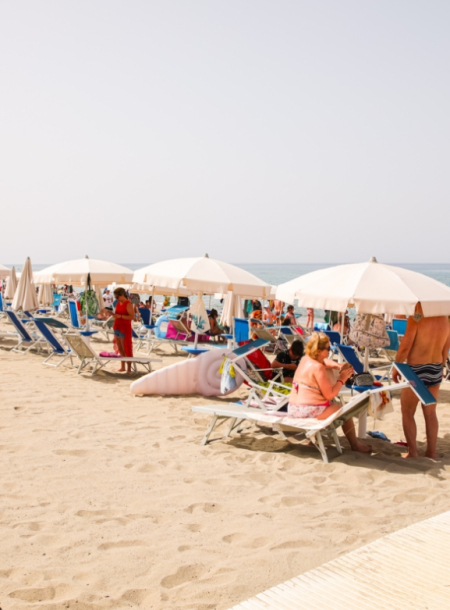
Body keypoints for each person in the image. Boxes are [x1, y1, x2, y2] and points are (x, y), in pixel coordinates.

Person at [289, 332, 371, 453]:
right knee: (345, 411)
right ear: (318, 350)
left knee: (322, 401)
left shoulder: (306, 360)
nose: (329, 351)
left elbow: (325, 362)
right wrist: (342, 379)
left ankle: (314, 440)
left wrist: (338, 366)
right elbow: (330, 394)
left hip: (295, 408)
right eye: (327, 348)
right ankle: (355, 445)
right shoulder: (318, 368)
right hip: (306, 412)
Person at [392, 303, 450, 459]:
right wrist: (440, 367)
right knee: (430, 413)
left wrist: (396, 366)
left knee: (408, 411)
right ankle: (431, 452)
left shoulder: (417, 318)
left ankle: (413, 452)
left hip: (417, 368)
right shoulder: (445, 319)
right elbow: (445, 349)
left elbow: (405, 346)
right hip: (436, 367)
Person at [112, 287, 135, 374]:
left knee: (126, 348)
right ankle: (122, 367)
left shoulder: (128, 304)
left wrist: (120, 316)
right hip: (117, 326)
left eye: (117, 297)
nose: (116, 299)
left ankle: (129, 368)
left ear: (122, 295)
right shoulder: (118, 303)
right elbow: (118, 314)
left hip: (124, 328)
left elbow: (132, 317)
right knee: (120, 348)